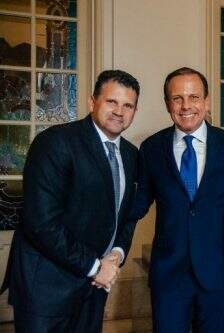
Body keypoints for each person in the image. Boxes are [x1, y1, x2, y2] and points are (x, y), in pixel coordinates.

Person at [0, 70, 140, 332]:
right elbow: (41, 222)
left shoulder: (131, 155)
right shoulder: (55, 142)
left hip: (94, 287)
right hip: (46, 288)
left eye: (128, 105)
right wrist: (94, 266)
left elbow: (127, 214)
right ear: (92, 102)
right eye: (112, 101)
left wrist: (117, 253)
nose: (119, 111)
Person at [130, 67, 224, 332]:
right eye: (177, 98)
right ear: (167, 103)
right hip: (169, 274)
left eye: (194, 97)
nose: (186, 106)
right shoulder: (151, 148)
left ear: (206, 100)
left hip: (219, 271)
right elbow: (137, 205)